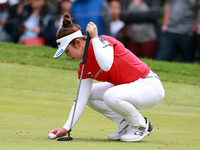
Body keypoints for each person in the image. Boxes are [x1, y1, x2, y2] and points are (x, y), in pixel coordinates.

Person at [49, 13, 165, 142]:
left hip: (149, 86)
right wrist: (66, 128)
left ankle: (142, 125)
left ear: (77, 43)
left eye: (67, 51)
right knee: (89, 94)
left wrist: (94, 38)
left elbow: (105, 65)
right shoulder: (84, 66)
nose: (68, 56)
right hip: (132, 88)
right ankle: (125, 123)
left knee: (110, 95)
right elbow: (81, 99)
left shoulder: (103, 41)